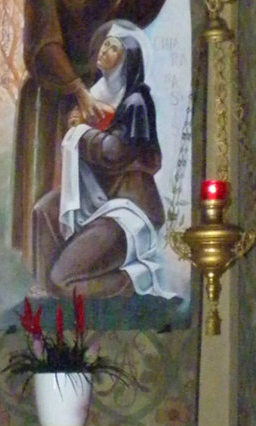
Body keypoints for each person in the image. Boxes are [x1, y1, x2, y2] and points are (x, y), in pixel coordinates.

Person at [14, 0, 174, 281]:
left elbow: (130, 10)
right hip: (53, 93)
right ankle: (45, 266)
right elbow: (46, 45)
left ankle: (85, 257)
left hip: (89, 92)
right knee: (50, 178)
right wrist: (77, 89)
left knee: (90, 172)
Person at [31, 21, 177, 300]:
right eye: (106, 44)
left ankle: (134, 280)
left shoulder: (136, 101)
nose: (105, 51)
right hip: (96, 196)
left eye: (114, 48)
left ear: (128, 59)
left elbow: (114, 151)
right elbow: (81, 130)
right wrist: (76, 124)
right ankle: (44, 292)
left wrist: (80, 131)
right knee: (44, 210)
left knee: (63, 282)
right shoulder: (97, 93)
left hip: (128, 208)